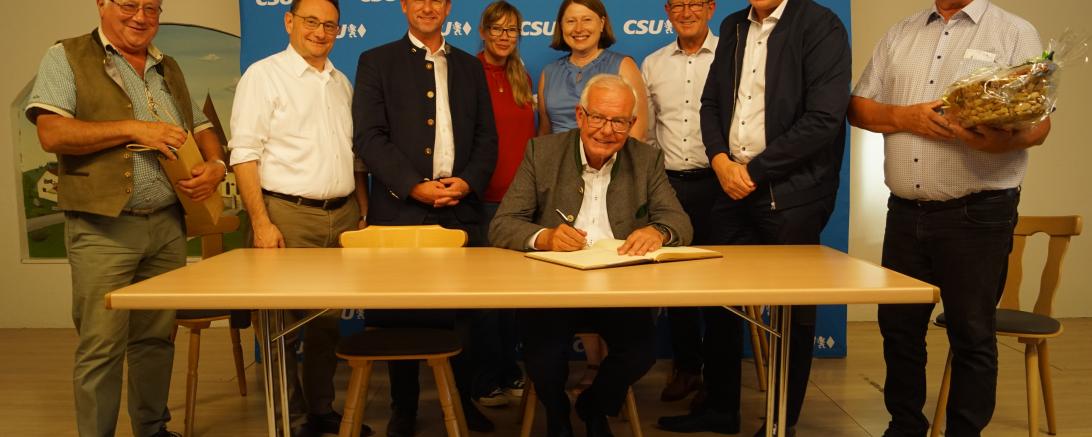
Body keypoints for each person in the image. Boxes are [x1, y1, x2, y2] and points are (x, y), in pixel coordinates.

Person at [848, 1, 1051, 435]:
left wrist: (991, 142)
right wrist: (906, 117)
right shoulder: (900, 33)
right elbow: (858, 108)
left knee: (972, 335)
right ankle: (904, 427)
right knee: (899, 332)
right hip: (903, 212)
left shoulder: (1014, 32)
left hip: (977, 215)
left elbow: (1040, 124)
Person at [25, 0, 226, 435]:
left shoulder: (167, 65)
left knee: (156, 339)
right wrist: (135, 128)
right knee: (101, 345)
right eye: (128, 5)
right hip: (102, 229)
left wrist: (216, 167)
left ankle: (152, 429)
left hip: (168, 226)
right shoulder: (65, 55)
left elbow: (201, 126)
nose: (140, 16)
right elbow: (51, 132)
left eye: (151, 8)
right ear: (102, 4)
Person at [656, 0, 851, 435]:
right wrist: (721, 161)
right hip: (730, 187)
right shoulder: (732, 25)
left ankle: (782, 422)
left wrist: (754, 171)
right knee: (721, 303)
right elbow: (709, 105)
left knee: (791, 314)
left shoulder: (821, 25)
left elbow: (824, 118)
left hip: (792, 193)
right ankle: (722, 409)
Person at [491, 74, 693, 437]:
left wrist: (658, 231)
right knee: (544, 356)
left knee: (641, 351)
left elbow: (678, 221)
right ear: (580, 115)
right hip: (554, 287)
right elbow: (503, 224)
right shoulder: (543, 152)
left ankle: (594, 405)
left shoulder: (647, 159)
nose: (606, 130)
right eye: (598, 117)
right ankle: (556, 414)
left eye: (618, 121)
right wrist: (545, 237)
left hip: (620, 288)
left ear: (632, 124)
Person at [353, 0, 498, 434]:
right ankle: (404, 408)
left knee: (466, 317)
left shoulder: (471, 68)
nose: (428, 6)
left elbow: (486, 137)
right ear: (403, 5)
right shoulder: (376, 61)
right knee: (401, 315)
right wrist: (412, 184)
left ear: (448, 7)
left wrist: (468, 182)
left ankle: (464, 400)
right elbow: (369, 136)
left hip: (460, 208)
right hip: (400, 210)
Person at [228, 0, 371, 435]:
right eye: (311, 21)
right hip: (287, 215)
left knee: (326, 324)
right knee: (282, 326)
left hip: (342, 215)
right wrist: (261, 222)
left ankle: (321, 411)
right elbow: (244, 153)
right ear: (289, 22)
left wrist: (362, 211)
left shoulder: (340, 83)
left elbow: (353, 156)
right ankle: (286, 417)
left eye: (330, 25)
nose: (321, 31)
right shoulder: (263, 76)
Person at [539, 0, 652, 385]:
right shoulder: (549, 73)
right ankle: (591, 364)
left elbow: (633, 135)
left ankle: (601, 374)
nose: (578, 27)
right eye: (570, 20)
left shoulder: (622, 65)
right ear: (561, 27)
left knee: (602, 255)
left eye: (587, 19)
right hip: (559, 183)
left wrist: (609, 169)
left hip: (609, 174)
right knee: (571, 258)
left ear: (602, 23)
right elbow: (543, 134)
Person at [640, 0, 719, 405]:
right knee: (678, 282)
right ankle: (688, 368)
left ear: (710, 8)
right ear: (668, 11)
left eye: (694, 4)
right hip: (670, 185)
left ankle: (720, 382)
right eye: (677, 5)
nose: (685, 12)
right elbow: (648, 130)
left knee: (723, 284)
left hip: (723, 184)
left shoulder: (733, 56)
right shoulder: (652, 63)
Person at [470, 0, 535, 408]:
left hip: (522, 205)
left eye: (511, 30)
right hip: (481, 201)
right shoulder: (467, 72)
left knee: (514, 302)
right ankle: (483, 378)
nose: (503, 36)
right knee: (484, 302)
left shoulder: (521, 75)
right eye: (497, 28)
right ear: (483, 30)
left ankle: (510, 370)